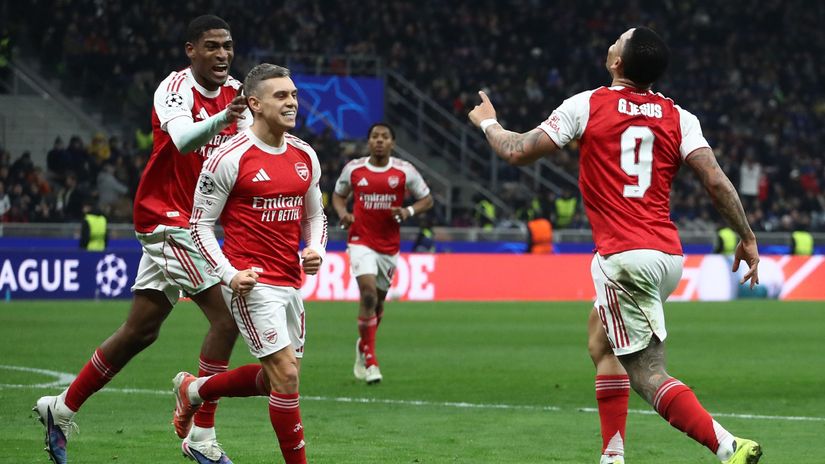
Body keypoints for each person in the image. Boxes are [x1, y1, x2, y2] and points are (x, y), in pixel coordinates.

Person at [468, 27, 762, 464]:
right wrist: (748, 236)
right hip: (666, 255)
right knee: (601, 341)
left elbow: (517, 150)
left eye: (617, 41)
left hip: (624, 258)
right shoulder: (679, 116)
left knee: (647, 372)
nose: (610, 43)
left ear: (617, 62)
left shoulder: (586, 104)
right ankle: (612, 455)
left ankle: (727, 445)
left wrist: (488, 122)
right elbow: (715, 180)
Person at [34, 15, 249, 464]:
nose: (222, 55)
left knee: (140, 331)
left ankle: (61, 408)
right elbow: (184, 139)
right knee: (227, 320)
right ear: (191, 49)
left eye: (227, 46)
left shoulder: (236, 96)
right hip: (168, 220)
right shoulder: (174, 88)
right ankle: (201, 437)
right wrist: (224, 118)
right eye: (212, 46)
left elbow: (245, 156)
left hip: (196, 223)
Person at [174, 63, 327, 464]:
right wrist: (229, 274)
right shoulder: (229, 156)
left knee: (274, 379)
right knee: (287, 377)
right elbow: (199, 225)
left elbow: (316, 216)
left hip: (290, 283)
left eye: (293, 94)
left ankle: (194, 390)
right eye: (281, 96)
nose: (291, 102)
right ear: (255, 104)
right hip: (250, 281)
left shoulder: (304, 154)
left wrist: (316, 249)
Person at [332, 123, 433, 384]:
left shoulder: (404, 171)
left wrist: (408, 211)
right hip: (360, 239)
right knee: (366, 296)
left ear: (392, 143)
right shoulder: (354, 169)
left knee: (377, 305)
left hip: (388, 245)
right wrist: (343, 214)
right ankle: (372, 361)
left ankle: (363, 344)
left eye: (384, 137)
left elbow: (427, 199)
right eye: (375, 137)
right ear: (368, 142)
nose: (379, 141)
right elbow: (338, 196)